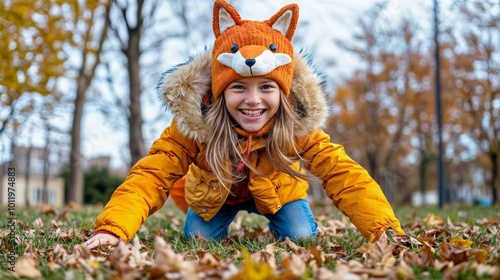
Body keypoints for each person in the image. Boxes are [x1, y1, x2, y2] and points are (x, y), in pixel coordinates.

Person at [85, 0, 405, 250]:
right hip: (216, 196)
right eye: (239, 88)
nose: (253, 100)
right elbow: (151, 174)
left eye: (267, 88)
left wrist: (384, 230)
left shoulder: (297, 125)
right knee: (199, 239)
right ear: (221, 92)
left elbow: (343, 175)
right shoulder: (195, 124)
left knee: (301, 236)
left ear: (283, 93)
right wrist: (112, 228)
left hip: (278, 192)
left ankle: (286, 215)